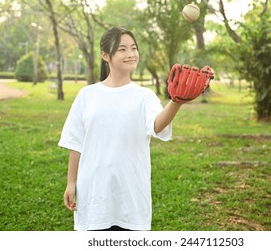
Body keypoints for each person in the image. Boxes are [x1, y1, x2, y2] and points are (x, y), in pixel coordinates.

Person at [58, 26, 182, 231]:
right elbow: (75, 142)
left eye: (133, 48)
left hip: (131, 199)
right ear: (105, 55)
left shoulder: (145, 96)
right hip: (94, 197)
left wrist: (176, 102)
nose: (131, 54)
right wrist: (71, 182)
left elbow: (157, 126)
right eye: (122, 49)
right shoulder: (87, 95)